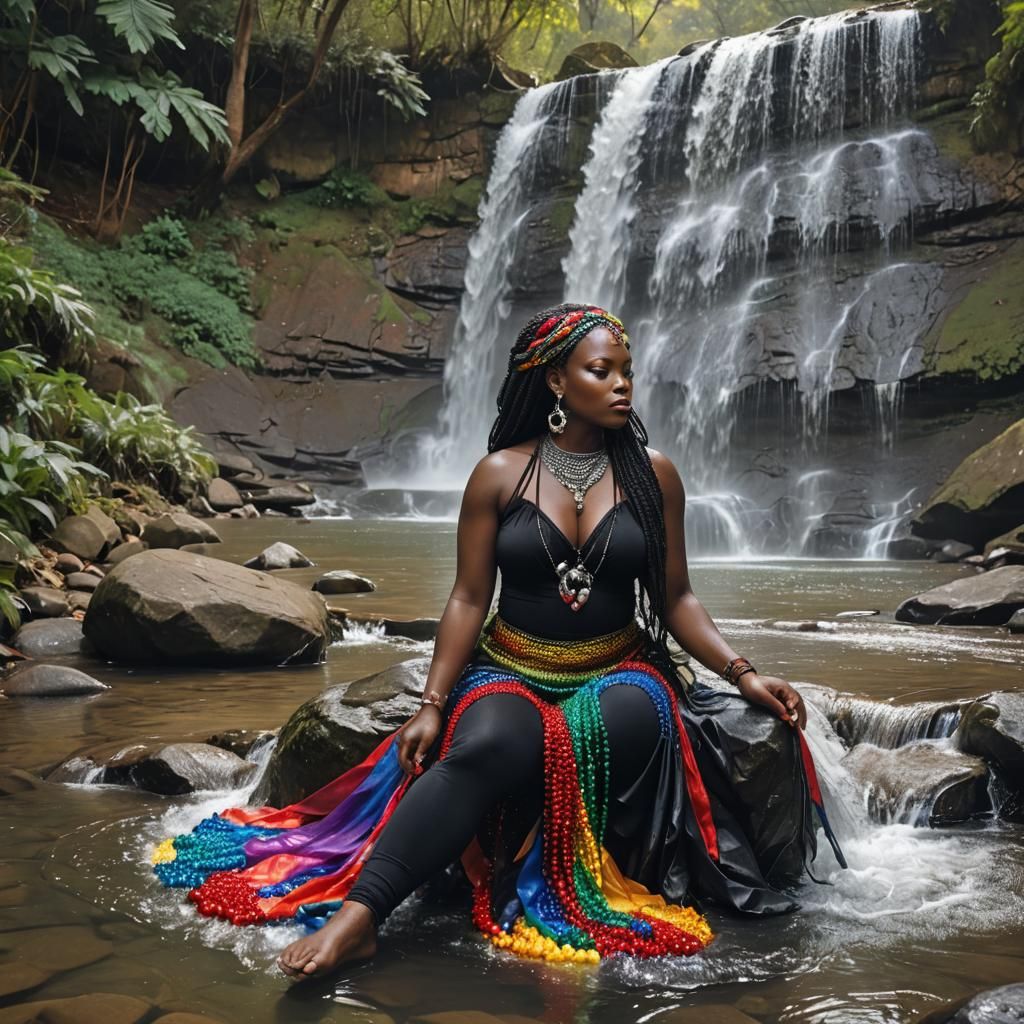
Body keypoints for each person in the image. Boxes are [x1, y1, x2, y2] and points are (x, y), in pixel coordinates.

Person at [152, 303, 845, 981]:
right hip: (510, 661)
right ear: (555, 381)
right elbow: (466, 598)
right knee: (486, 744)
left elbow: (676, 598)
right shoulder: (498, 474)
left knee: (591, 731)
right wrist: (431, 701)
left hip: (621, 667)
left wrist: (743, 674)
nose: (623, 384)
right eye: (603, 371)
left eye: (627, 371)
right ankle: (361, 916)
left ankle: (548, 886)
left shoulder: (652, 474)